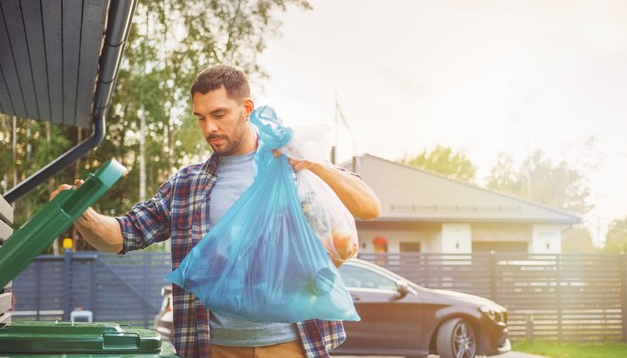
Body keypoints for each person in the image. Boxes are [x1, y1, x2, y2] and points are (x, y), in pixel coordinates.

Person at [51, 64, 381, 358]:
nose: (209, 127)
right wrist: (83, 214)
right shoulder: (187, 184)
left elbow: (368, 207)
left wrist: (313, 165)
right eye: (201, 118)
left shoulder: (291, 167)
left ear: (247, 108)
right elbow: (125, 234)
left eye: (219, 114)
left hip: (292, 343)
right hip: (215, 346)